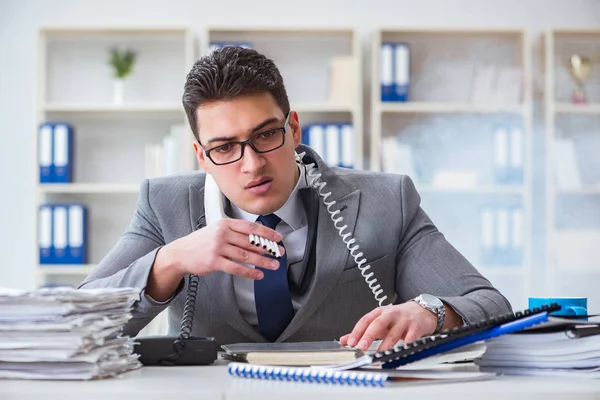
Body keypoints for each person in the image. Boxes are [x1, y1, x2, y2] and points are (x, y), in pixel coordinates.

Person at [79, 46, 512, 352]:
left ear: (295, 129)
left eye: (266, 135)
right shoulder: (164, 204)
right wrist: (169, 262)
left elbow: (489, 304)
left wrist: (431, 312)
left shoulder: (387, 199)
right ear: (201, 157)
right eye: (224, 148)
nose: (251, 164)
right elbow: (78, 326)